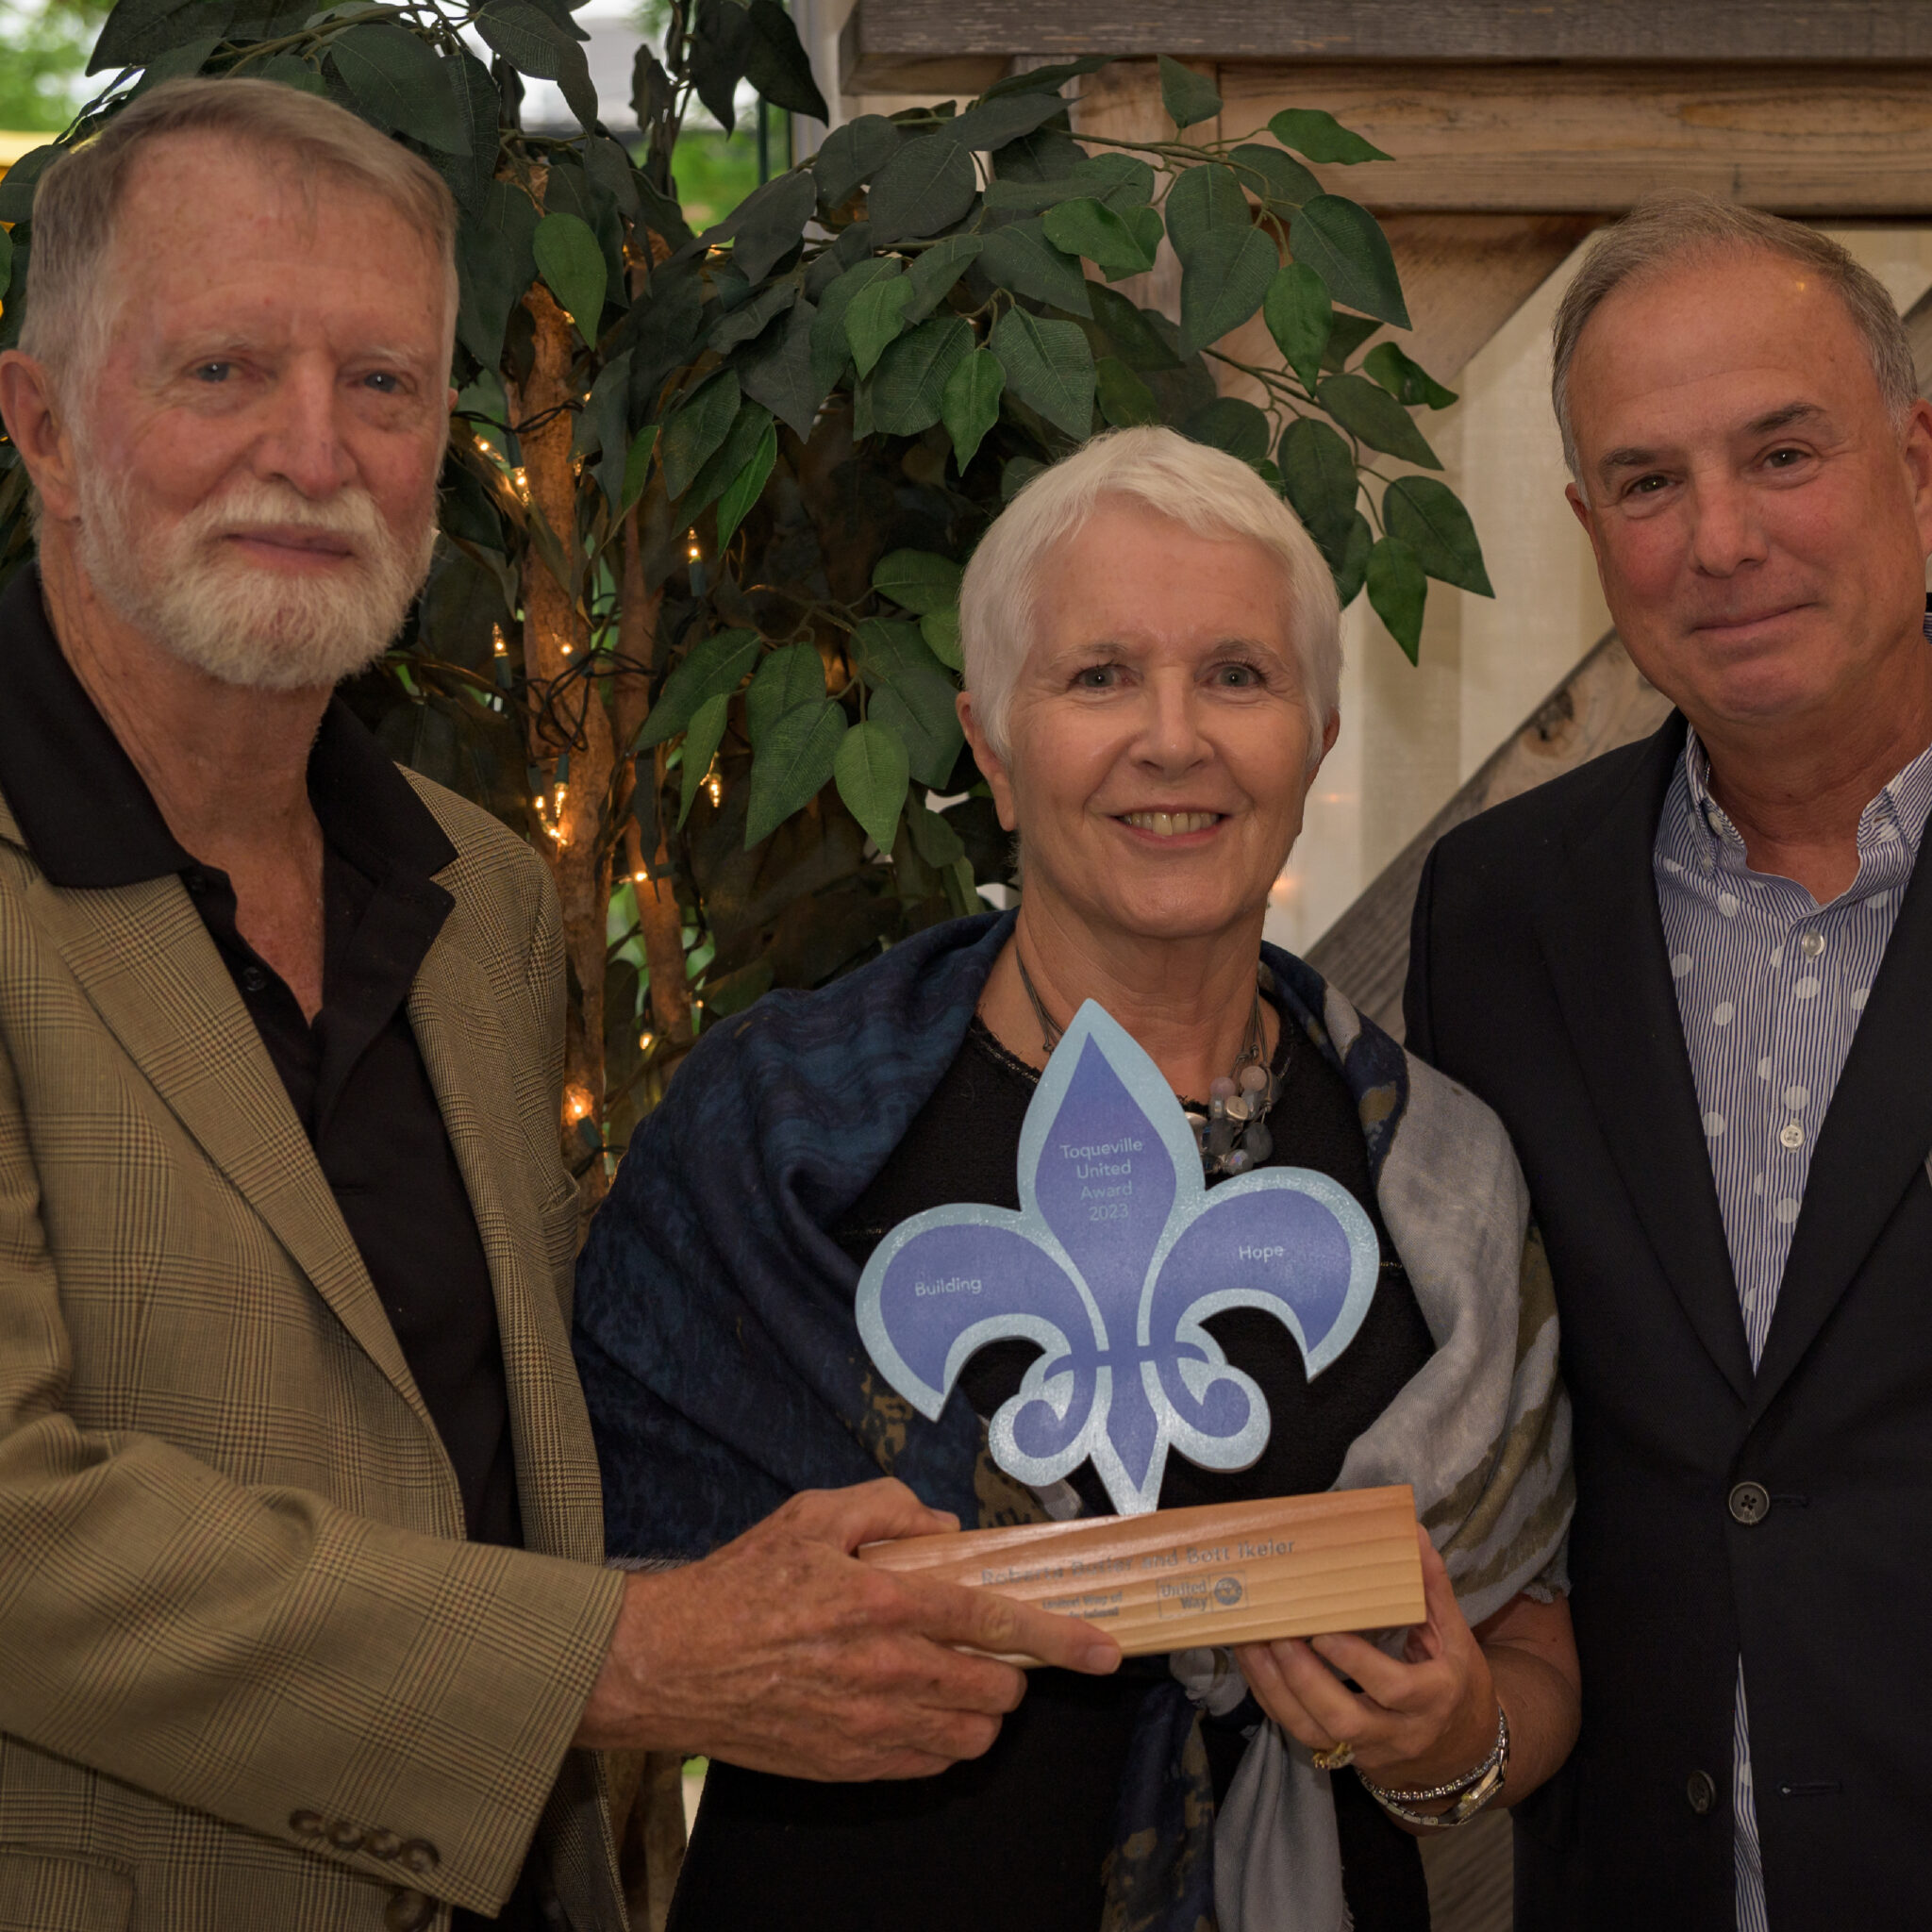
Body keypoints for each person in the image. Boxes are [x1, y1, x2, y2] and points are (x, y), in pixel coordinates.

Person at [0, 77, 1118, 1932]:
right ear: (41, 423)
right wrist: (637, 1654)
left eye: (382, 382)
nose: (315, 446)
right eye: (219, 372)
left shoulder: (485, 904)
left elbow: (489, 1461)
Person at [573, 425, 1580, 1932]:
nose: (1172, 739)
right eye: (1099, 675)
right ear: (989, 737)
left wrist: (1450, 1744)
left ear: (1315, 733)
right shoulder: (772, 1142)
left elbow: (1535, 1641)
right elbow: (572, 1609)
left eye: (1237, 675)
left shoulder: (1436, 1174)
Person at [1404, 194, 1932, 1930]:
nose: (1721, 539)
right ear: (1584, 526)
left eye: (1783, 453)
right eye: (1647, 482)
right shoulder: (1497, 916)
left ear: (1917, 463)